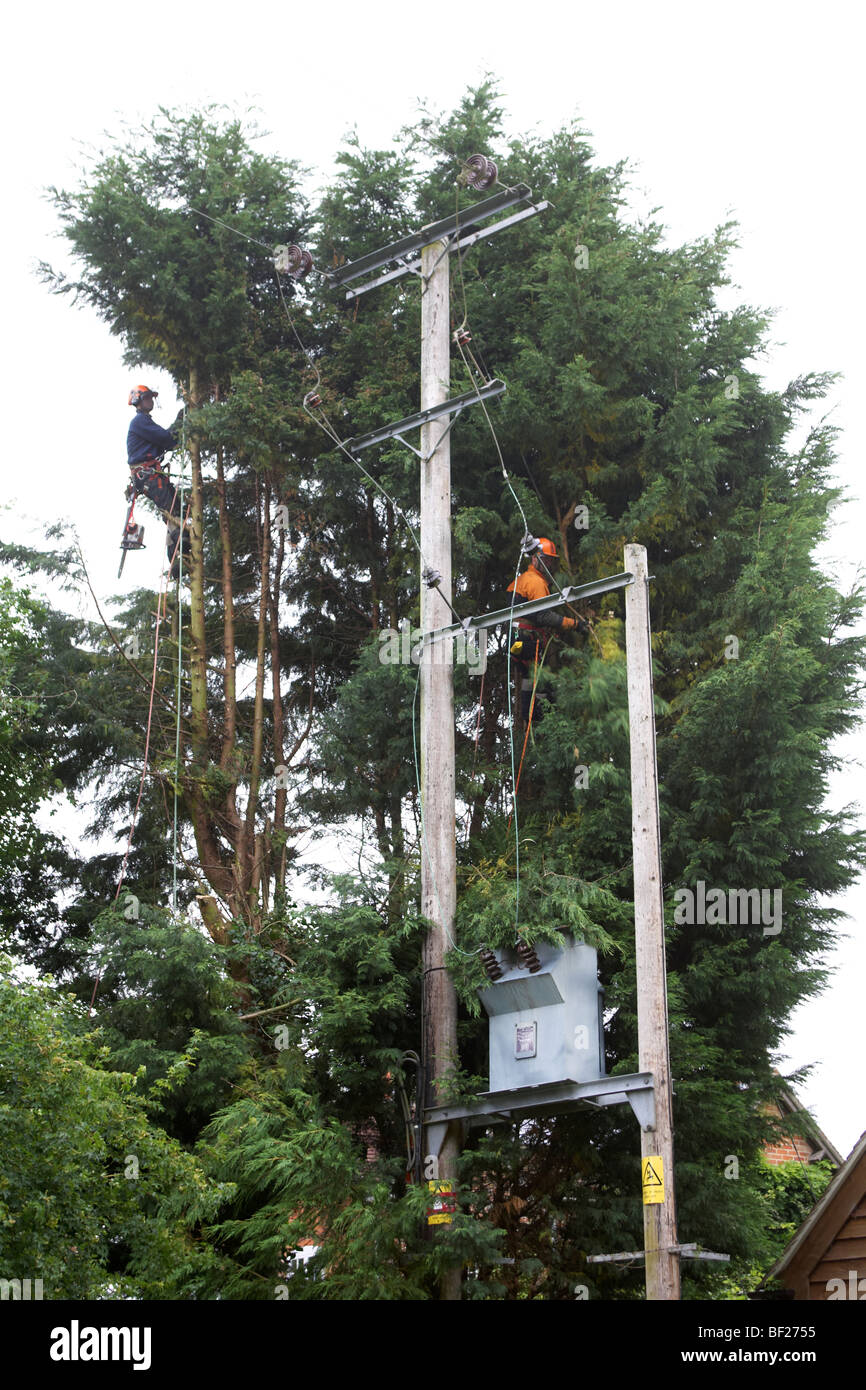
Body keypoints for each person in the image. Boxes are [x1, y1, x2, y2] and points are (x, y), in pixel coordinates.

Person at [507, 537, 589, 721]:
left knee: (530, 677)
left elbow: (532, 616)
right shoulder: (536, 582)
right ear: (535, 559)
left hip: (516, 644)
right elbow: (544, 616)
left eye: (551, 561)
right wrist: (575, 624)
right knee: (543, 681)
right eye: (547, 560)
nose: (550, 564)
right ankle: (543, 716)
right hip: (524, 642)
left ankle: (532, 716)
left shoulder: (521, 580)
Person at [125, 385, 187, 578]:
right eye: (147, 398)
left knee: (175, 509)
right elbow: (166, 439)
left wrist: (177, 428)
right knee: (171, 511)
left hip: (151, 475)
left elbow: (166, 442)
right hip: (148, 476)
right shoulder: (140, 422)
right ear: (139, 400)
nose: (151, 401)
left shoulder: (145, 423)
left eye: (151, 398)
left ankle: (179, 554)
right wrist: (179, 423)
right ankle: (178, 557)